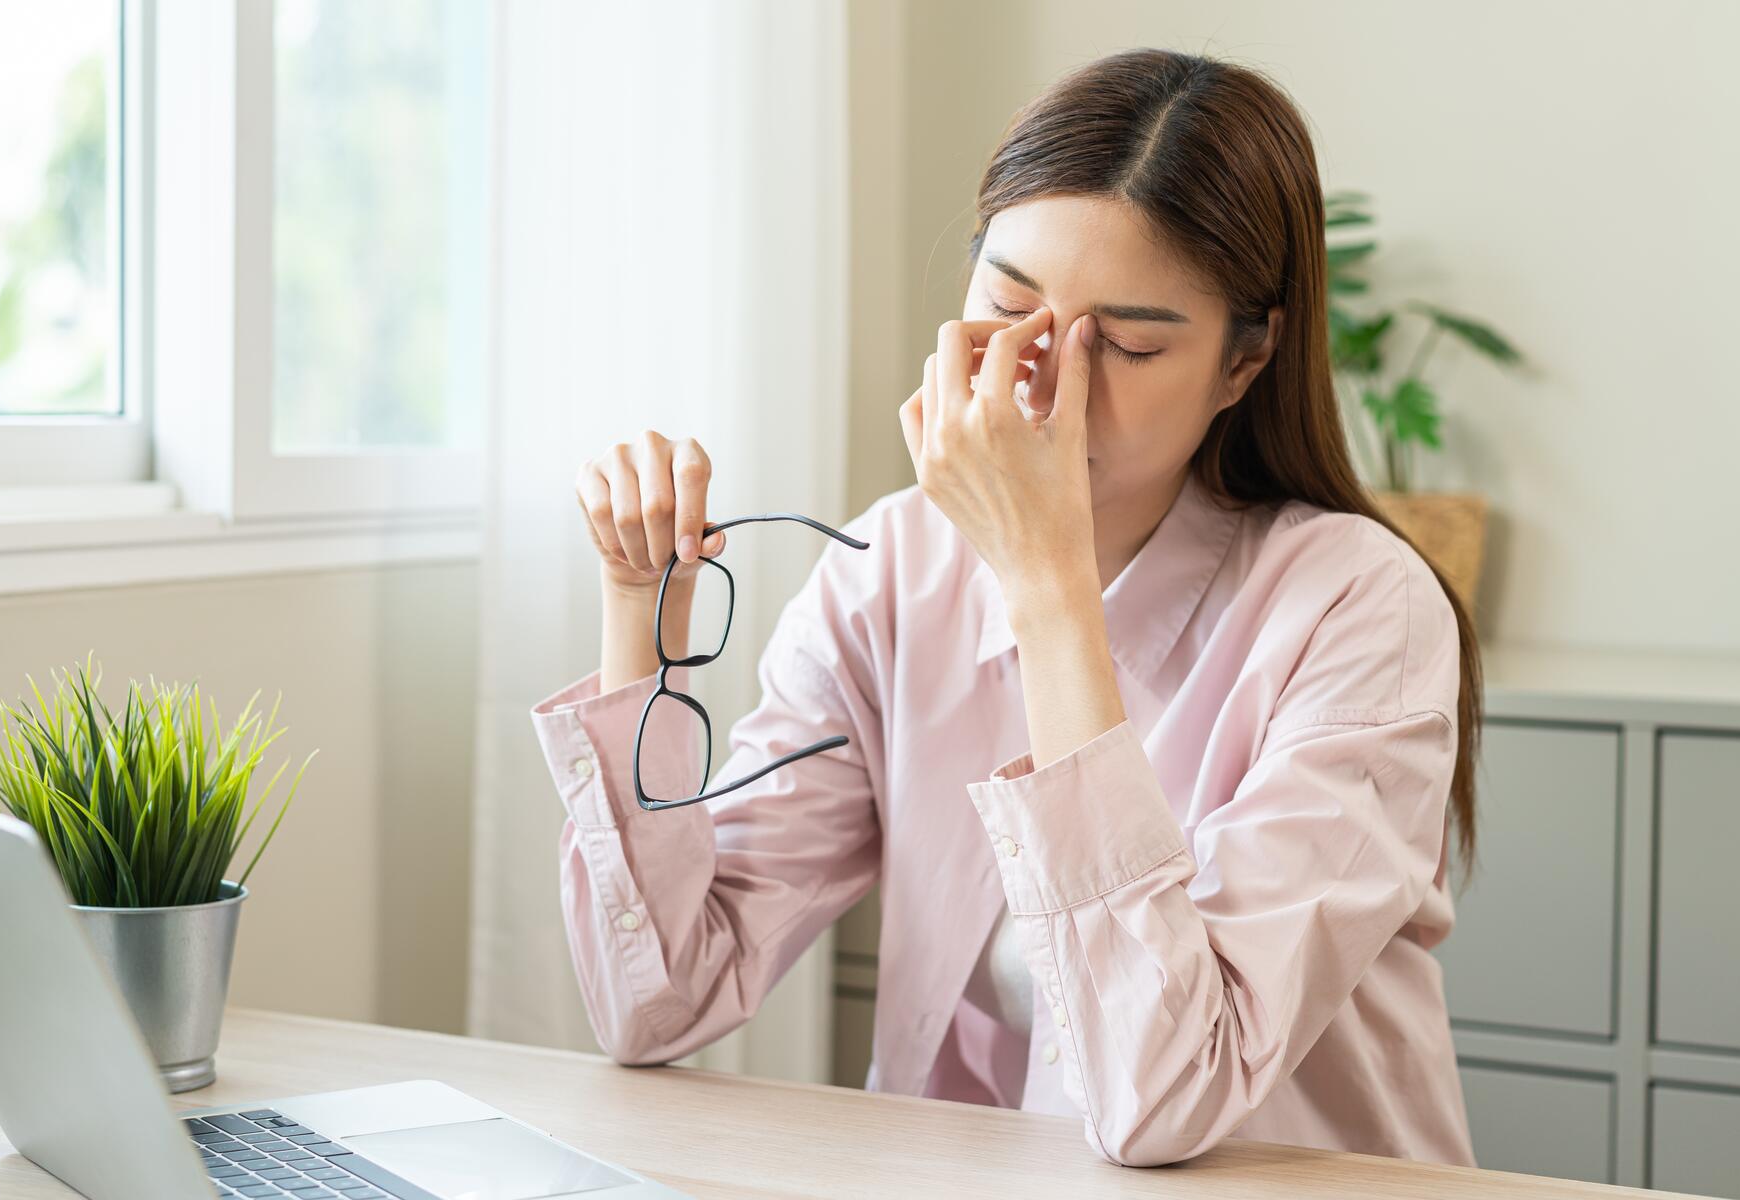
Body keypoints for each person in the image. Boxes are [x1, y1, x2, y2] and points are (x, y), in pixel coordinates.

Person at [529, 47, 1483, 1169]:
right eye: (1005, 305)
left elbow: (1162, 1097)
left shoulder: (1362, 609)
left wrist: (1045, 584)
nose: (1042, 381)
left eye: (1126, 344)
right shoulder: (892, 569)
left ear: (1245, 360)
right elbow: (663, 1001)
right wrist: (641, 618)